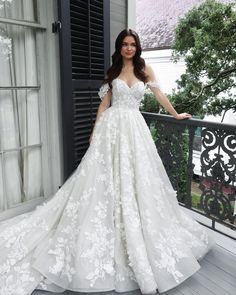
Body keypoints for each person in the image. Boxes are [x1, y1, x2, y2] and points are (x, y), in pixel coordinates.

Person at [0, 29, 215, 295]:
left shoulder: (144, 68)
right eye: (124, 44)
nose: (128, 48)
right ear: (119, 47)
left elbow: (159, 95)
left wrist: (175, 114)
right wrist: (94, 132)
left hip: (134, 130)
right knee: (103, 180)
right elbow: (104, 105)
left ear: (137, 47)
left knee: (137, 178)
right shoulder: (113, 70)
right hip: (111, 130)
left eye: (132, 44)